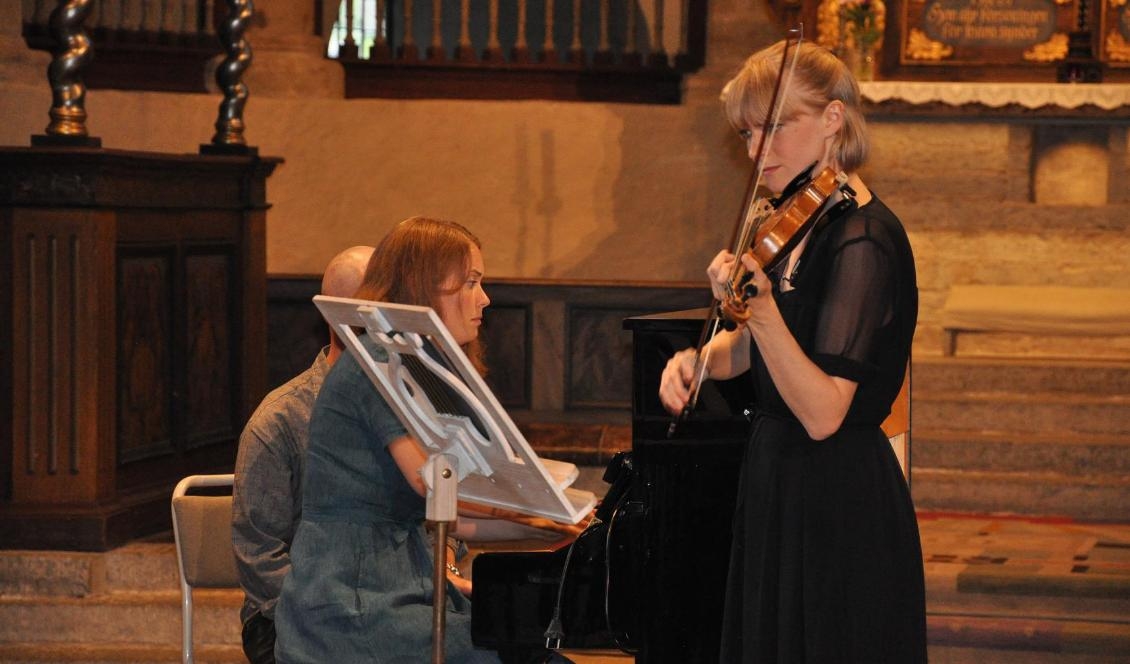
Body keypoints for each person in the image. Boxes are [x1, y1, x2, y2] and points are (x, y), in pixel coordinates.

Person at [658, 40, 927, 663]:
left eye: (776, 128)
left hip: (836, 496)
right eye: (749, 133)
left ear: (833, 120)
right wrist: (702, 361)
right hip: (778, 476)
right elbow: (752, 349)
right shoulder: (795, 223)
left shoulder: (865, 240)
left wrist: (764, 310)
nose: (756, 152)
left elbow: (825, 411)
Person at [273, 216, 564, 664]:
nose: (484, 298)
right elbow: (434, 485)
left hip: (398, 586)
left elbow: (453, 517)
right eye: (470, 282)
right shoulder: (377, 360)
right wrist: (545, 505)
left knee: (534, 651)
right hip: (349, 600)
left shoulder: (415, 367)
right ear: (424, 283)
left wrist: (566, 526)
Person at [232, 245, 376, 664]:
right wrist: (328, 615)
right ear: (340, 317)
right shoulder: (279, 419)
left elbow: (436, 521)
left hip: (384, 602)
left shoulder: (408, 408)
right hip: (290, 614)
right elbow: (257, 553)